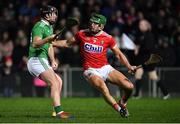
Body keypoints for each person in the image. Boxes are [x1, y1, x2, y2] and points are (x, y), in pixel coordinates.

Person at [52, 13, 136, 118]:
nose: (92, 25)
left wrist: (129, 66)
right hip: (90, 70)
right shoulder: (81, 34)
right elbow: (67, 43)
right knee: (103, 87)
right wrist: (52, 43)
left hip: (105, 67)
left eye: (96, 24)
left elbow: (118, 54)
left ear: (101, 26)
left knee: (129, 87)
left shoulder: (108, 38)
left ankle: (122, 102)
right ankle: (119, 110)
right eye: (91, 22)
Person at [27, 5, 72, 118]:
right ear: (47, 15)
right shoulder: (40, 26)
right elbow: (35, 43)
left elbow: (50, 46)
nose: (56, 16)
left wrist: (52, 60)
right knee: (54, 83)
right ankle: (59, 113)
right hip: (36, 59)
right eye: (53, 13)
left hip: (42, 60)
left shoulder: (49, 27)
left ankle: (55, 111)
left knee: (59, 81)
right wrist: (48, 39)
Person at [133, 19, 170, 99]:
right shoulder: (140, 35)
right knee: (138, 74)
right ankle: (136, 95)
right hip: (142, 59)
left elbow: (148, 48)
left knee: (153, 76)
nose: (140, 26)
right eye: (140, 24)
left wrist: (138, 48)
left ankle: (166, 93)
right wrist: (136, 47)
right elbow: (137, 43)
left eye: (142, 24)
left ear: (147, 26)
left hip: (148, 60)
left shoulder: (150, 35)